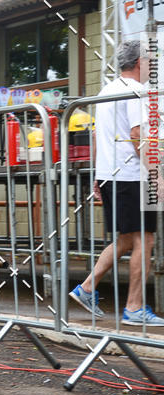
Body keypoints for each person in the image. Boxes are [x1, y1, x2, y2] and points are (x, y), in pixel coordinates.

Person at [69, 40, 164, 326]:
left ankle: (87, 287)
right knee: (145, 239)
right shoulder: (138, 91)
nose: (152, 66)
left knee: (126, 238)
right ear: (139, 63)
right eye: (150, 61)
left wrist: (98, 176)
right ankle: (134, 307)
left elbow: (99, 136)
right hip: (132, 175)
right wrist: (157, 175)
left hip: (112, 174)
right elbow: (138, 136)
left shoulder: (107, 90)